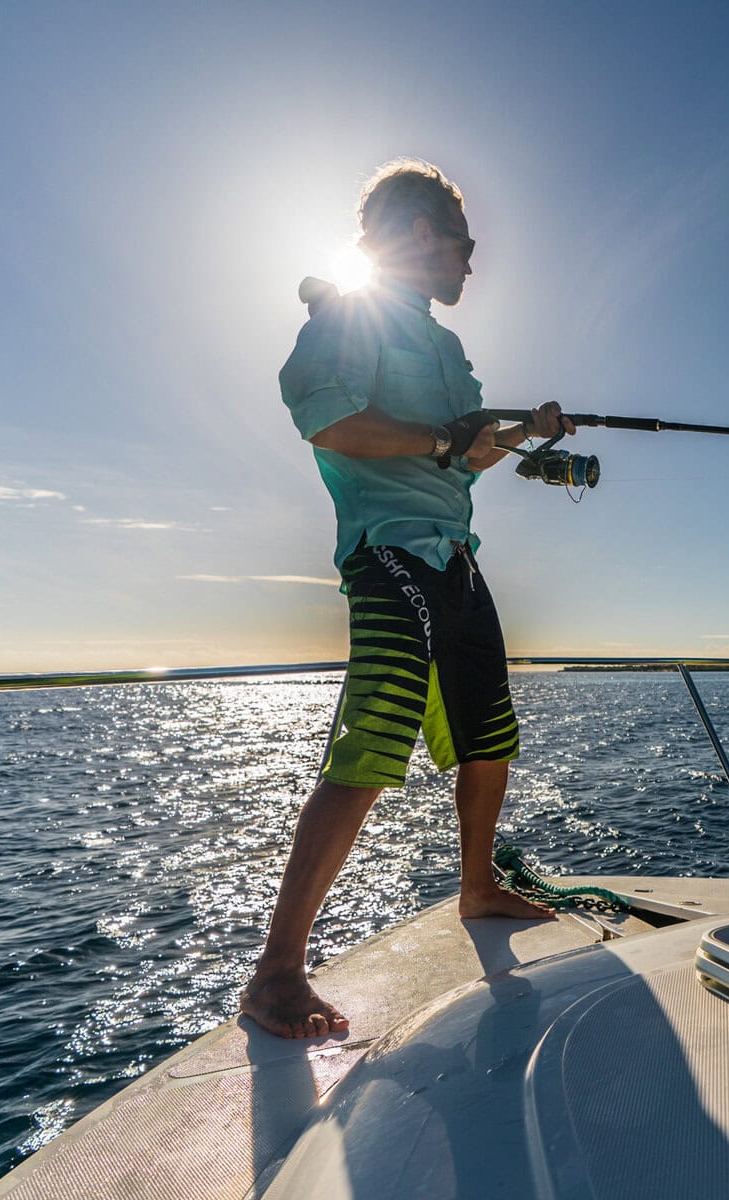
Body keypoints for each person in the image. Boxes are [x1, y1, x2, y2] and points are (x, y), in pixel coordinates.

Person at [240, 158, 572, 1040]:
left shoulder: (446, 347)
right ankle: (276, 972)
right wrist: (441, 435)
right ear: (424, 236)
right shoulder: (342, 319)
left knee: (491, 735)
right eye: (465, 245)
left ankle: (477, 884)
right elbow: (331, 421)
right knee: (373, 742)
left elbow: (464, 456)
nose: (471, 263)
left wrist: (517, 434)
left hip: (456, 556)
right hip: (387, 555)